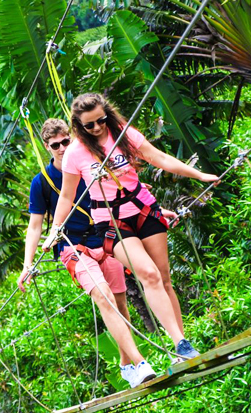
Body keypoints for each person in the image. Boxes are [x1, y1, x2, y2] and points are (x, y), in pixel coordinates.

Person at [43, 93, 219, 363]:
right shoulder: (75, 153)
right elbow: (67, 196)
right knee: (147, 274)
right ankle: (181, 344)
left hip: (145, 210)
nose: (97, 128)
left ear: (107, 114)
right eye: (89, 125)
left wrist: (198, 174)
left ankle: (181, 347)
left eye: (101, 120)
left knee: (163, 277)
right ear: (79, 125)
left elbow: (158, 158)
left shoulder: (125, 135)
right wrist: (55, 230)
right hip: (112, 222)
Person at [18, 118, 157, 388]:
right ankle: (141, 363)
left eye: (65, 142)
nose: (61, 148)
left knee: (120, 305)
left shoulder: (90, 164)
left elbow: (126, 192)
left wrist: (156, 212)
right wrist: (27, 264)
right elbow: (35, 226)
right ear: (47, 147)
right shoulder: (42, 182)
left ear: (72, 139)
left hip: (107, 239)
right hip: (73, 246)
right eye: (54, 145)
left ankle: (126, 364)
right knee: (102, 295)